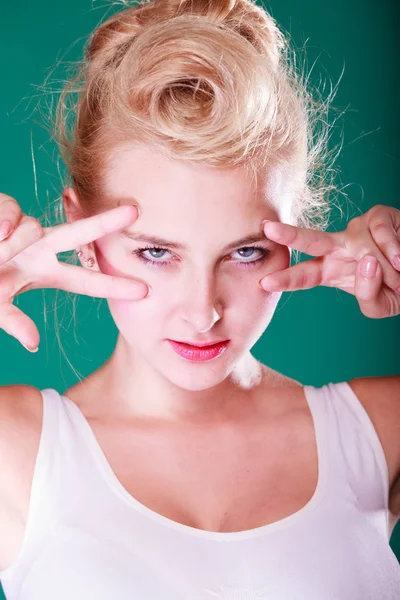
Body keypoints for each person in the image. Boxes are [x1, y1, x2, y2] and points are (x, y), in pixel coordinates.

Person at [0, 0, 399, 598]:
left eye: (245, 253)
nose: (203, 312)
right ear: (80, 231)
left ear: (299, 233)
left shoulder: (381, 429)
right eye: (156, 253)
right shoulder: (14, 449)